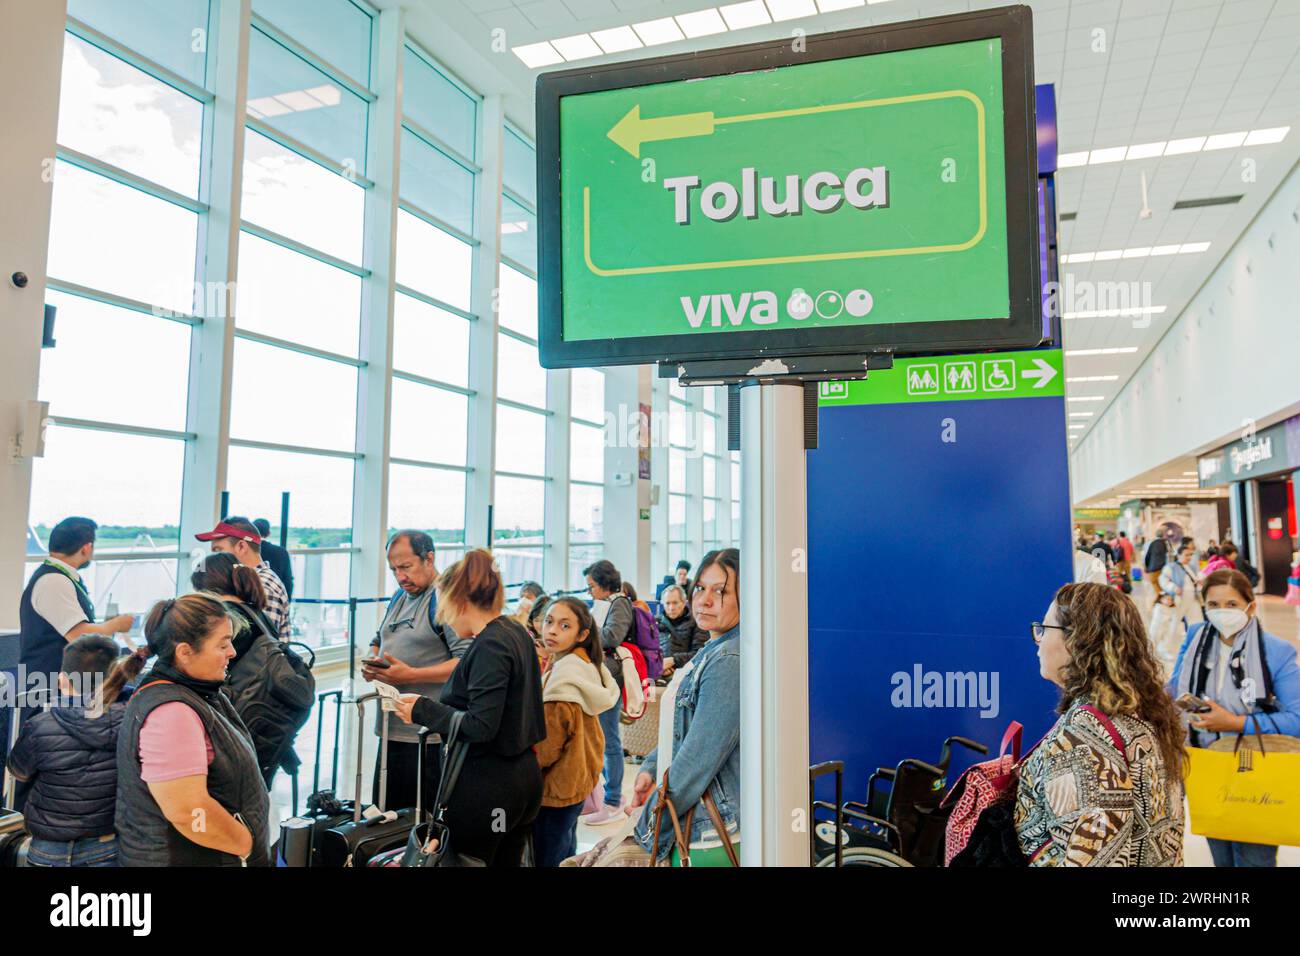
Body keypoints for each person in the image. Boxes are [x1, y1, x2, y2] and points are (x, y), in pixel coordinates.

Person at [393, 550, 545, 866]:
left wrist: (422, 710)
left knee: (475, 859)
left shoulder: (490, 645)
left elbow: (481, 725)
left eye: (444, 606)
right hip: (521, 784)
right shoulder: (514, 632)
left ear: (459, 600)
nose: (443, 617)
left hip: (491, 792)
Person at [1018, 582, 1185, 866]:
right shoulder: (1141, 709)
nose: (1039, 640)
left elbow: (1098, 858)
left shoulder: (1084, 736)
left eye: (1045, 629)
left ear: (1078, 640)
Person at [115, 594, 270, 866]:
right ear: (184, 652)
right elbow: (189, 812)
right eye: (223, 644)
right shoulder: (171, 713)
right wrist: (244, 845)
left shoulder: (202, 693)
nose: (232, 652)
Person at [1172, 569, 1300, 868]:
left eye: (1231, 604)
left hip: (1256, 769)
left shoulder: (1276, 652)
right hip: (1204, 766)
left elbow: (1297, 718)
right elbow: (1173, 689)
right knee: (1222, 856)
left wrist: (1235, 723)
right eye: (1213, 605)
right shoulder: (1194, 639)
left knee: (1255, 859)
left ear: (1250, 606)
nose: (1221, 613)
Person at [625, 548, 741, 864]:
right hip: (692, 822)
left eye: (721, 591)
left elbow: (697, 760)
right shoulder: (714, 649)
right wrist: (652, 769)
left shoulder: (729, 659)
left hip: (708, 831)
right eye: (701, 588)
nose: (704, 600)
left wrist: (649, 822)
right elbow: (684, 730)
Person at [6, 636, 146, 867]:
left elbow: (19, 771)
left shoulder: (40, 725)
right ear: (117, 677)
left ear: (62, 680)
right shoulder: (135, 722)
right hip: (108, 843)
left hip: (49, 848)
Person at [362, 531, 469, 812]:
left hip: (427, 736)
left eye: (406, 567)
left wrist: (411, 675)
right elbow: (379, 637)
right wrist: (373, 662)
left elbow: (466, 662)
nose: (400, 577)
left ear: (429, 558)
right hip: (391, 729)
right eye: (394, 569)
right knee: (386, 816)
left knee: (421, 821)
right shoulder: (401, 595)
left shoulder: (446, 597)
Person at [190, 552, 315, 788]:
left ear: (208, 588)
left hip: (236, 728)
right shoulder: (256, 614)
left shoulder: (226, 619)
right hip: (262, 728)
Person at [533, 597, 620, 867]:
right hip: (577, 779)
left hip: (555, 787)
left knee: (550, 856)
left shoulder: (564, 681)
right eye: (549, 621)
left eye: (564, 625)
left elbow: (546, 748)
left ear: (582, 634)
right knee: (566, 849)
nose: (552, 630)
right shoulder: (587, 666)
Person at [19, 516, 134, 680]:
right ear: (86, 548)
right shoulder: (53, 581)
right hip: (49, 686)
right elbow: (79, 636)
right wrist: (115, 625)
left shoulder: (56, 576)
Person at [582, 558, 637, 824]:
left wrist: (585, 634)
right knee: (603, 738)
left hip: (611, 679)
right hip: (604, 678)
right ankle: (609, 795)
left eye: (592, 586)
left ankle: (613, 800)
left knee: (609, 740)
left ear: (605, 585)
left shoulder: (620, 604)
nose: (590, 591)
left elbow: (613, 636)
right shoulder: (609, 604)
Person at [195, 517, 290, 640]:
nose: (215, 558)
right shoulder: (249, 582)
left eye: (219, 551)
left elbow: (255, 645)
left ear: (241, 547)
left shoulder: (264, 585)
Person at [1148, 540, 1199, 673]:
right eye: (1187, 555)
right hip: (1178, 601)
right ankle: (1164, 648)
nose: (1189, 558)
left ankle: (1196, 647)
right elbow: (1163, 580)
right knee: (1173, 625)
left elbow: (1195, 581)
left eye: (1191, 555)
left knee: (1196, 623)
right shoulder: (1171, 567)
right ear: (1179, 555)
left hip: (1192, 600)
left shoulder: (1191, 567)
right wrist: (1173, 588)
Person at [656, 583, 708, 681]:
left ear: (684, 602)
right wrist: (658, 665)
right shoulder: (655, 622)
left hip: (685, 673)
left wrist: (673, 661)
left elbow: (701, 653)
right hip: (657, 671)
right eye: (667, 603)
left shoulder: (696, 622)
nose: (671, 608)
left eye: (675, 603)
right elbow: (647, 650)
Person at [251, 518, 294, 603]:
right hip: (276, 598)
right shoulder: (281, 552)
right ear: (268, 533)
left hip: (252, 599)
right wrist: (286, 602)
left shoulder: (247, 551)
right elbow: (288, 580)